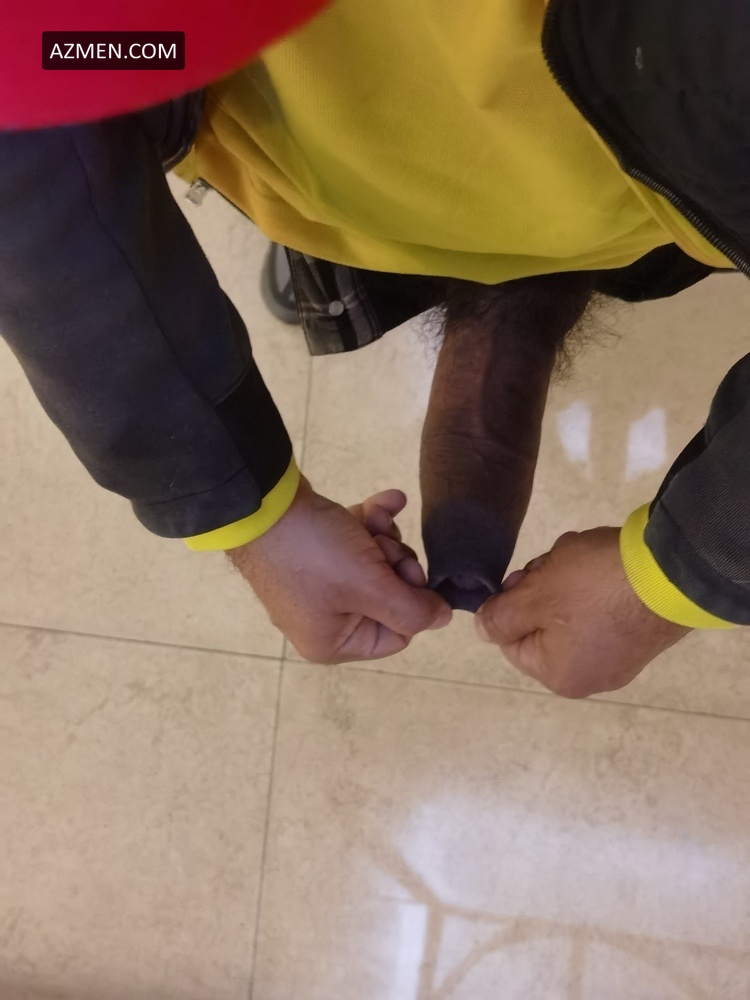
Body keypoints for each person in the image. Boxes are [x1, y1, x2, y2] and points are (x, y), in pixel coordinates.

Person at [1, 0, 748, 695]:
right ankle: (465, 276)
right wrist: (246, 508)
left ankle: (496, 287)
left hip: (642, 158)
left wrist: (681, 575)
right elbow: (36, 67)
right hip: (301, 132)